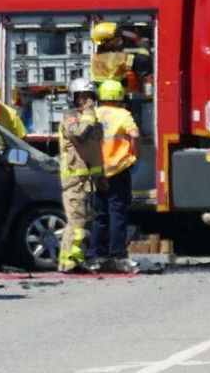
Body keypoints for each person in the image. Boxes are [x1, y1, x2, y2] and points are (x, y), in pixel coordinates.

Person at [88, 80, 141, 274]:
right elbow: (134, 134)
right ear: (120, 96)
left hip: (97, 171)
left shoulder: (93, 114)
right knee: (117, 213)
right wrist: (135, 155)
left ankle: (96, 255)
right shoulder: (123, 114)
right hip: (118, 170)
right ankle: (118, 255)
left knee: (99, 215)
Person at [57, 78, 104, 273]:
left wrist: (102, 177)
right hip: (74, 181)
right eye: (82, 97)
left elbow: (96, 151)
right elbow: (79, 135)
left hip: (89, 181)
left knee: (84, 223)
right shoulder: (71, 119)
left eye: (89, 97)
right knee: (76, 223)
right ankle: (69, 261)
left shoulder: (92, 121)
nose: (87, 102)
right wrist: (88, 115)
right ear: (73, 99)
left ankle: (78, 258)